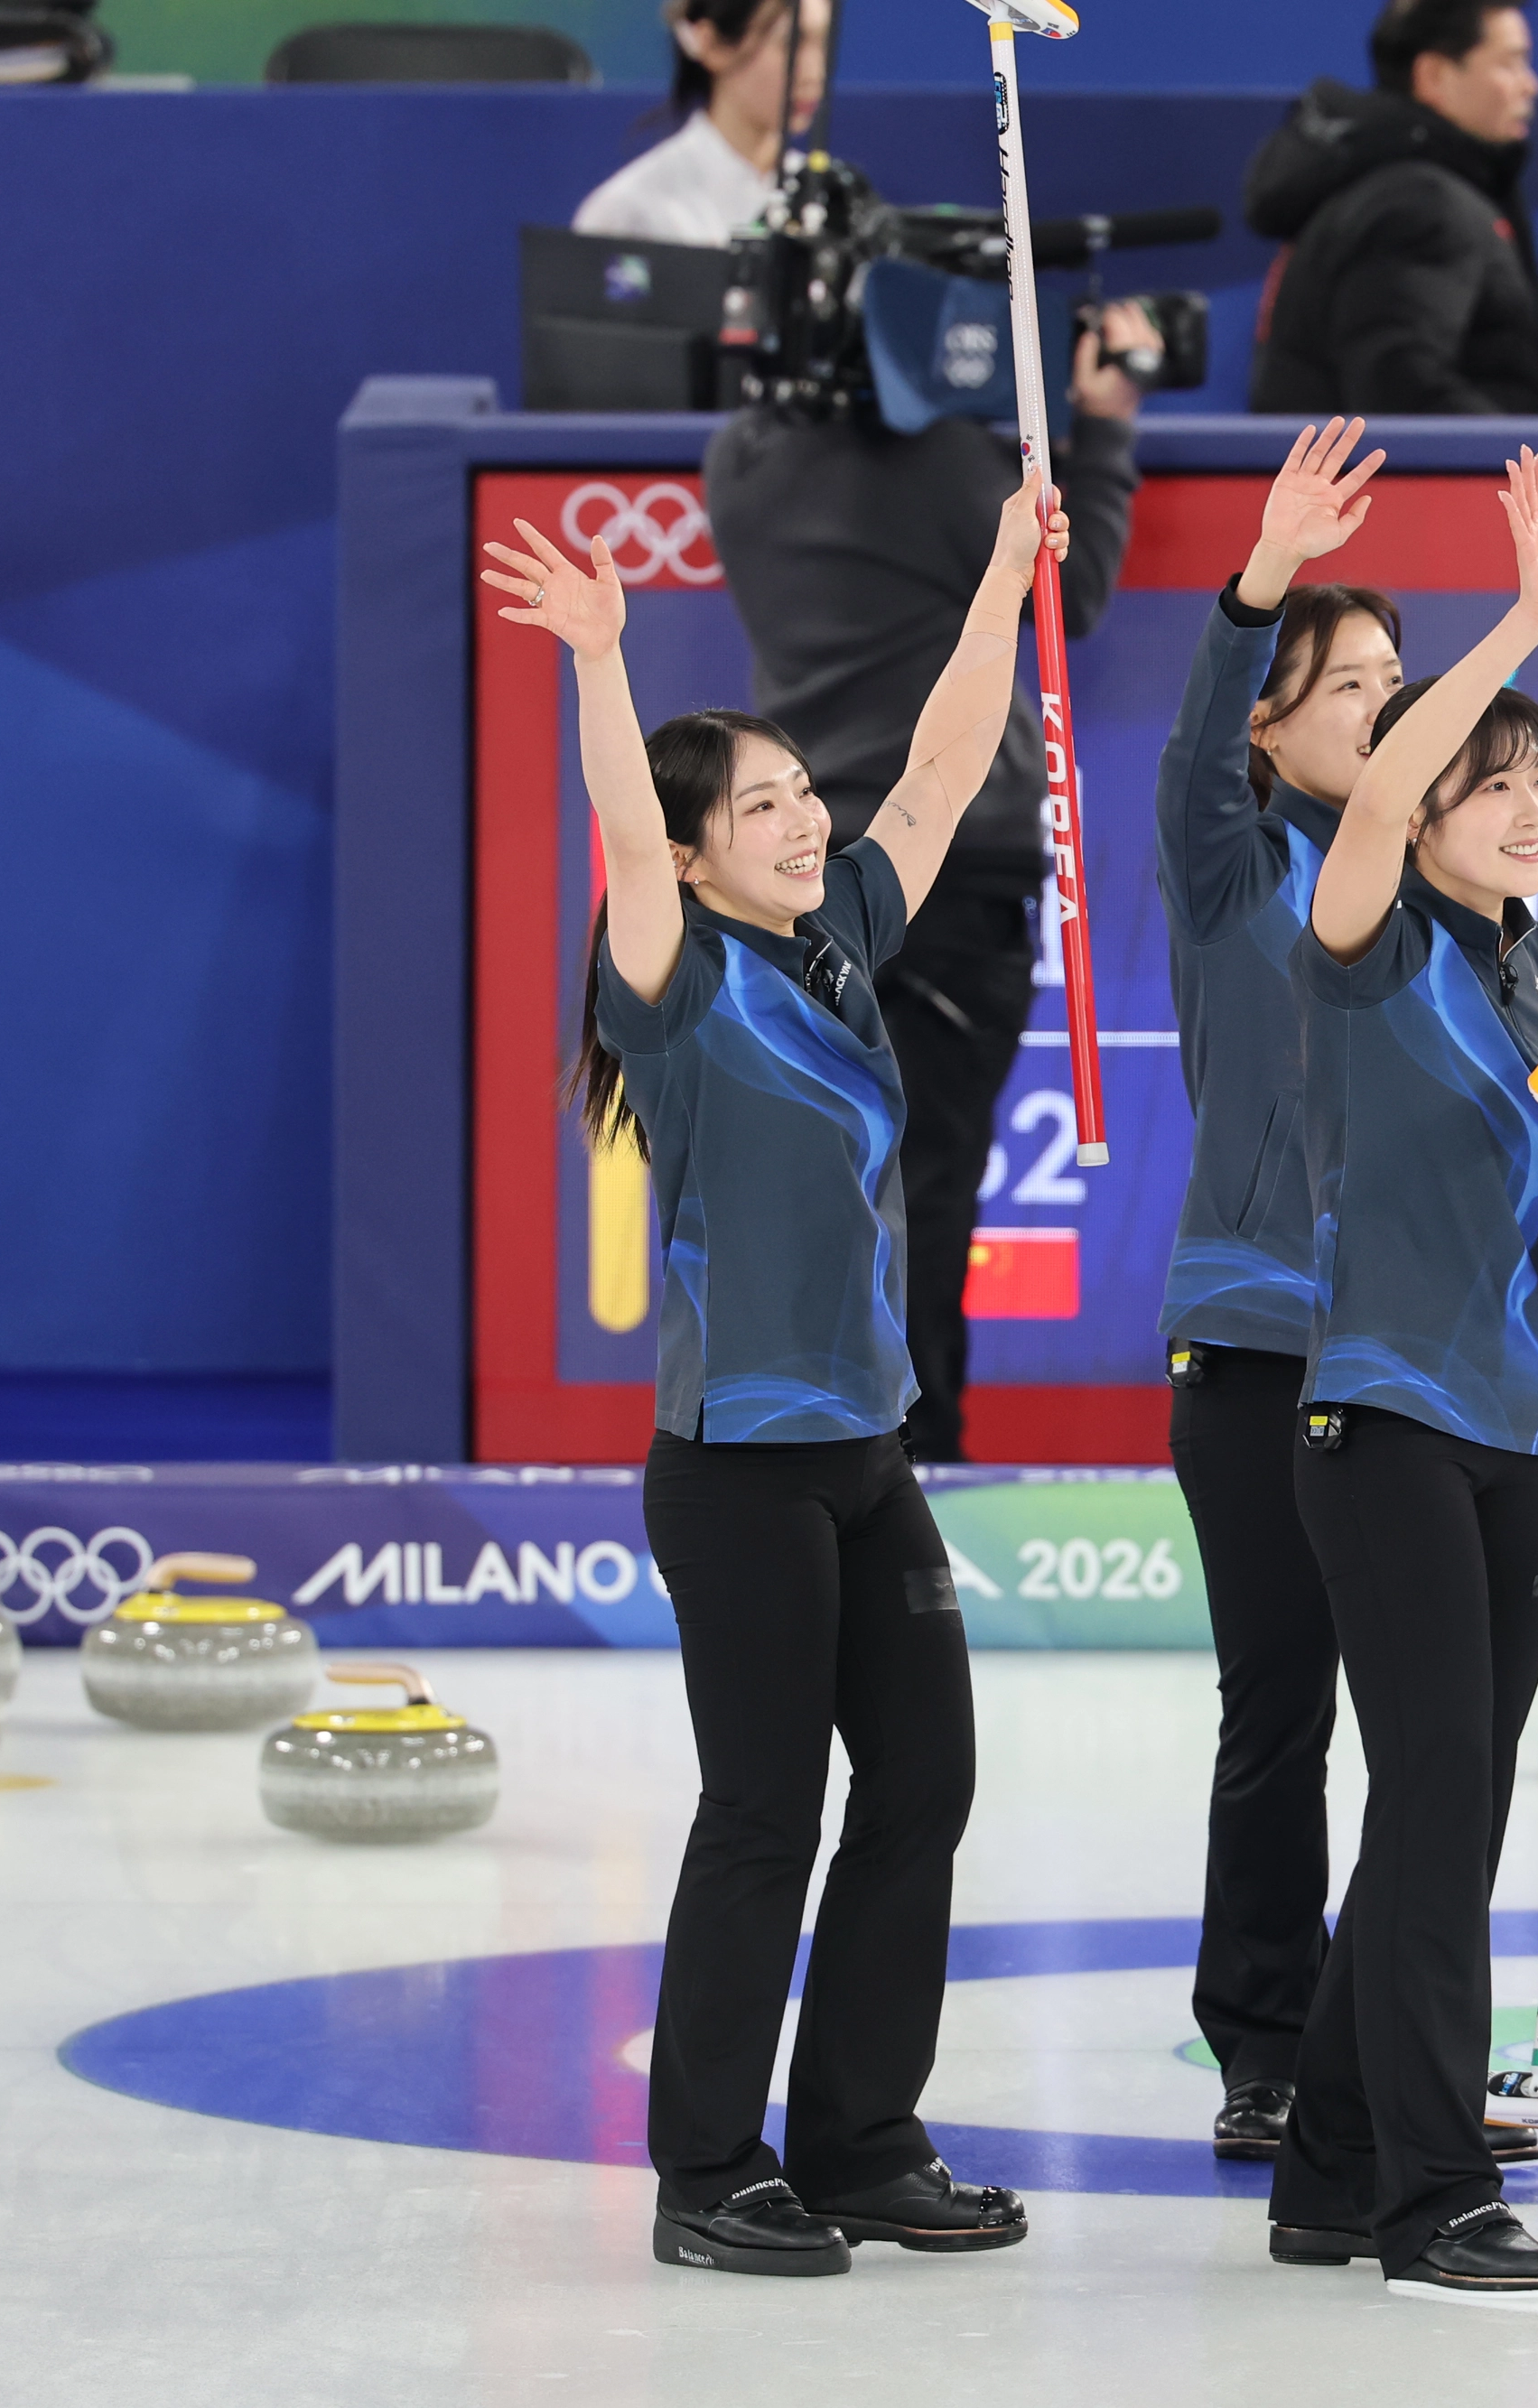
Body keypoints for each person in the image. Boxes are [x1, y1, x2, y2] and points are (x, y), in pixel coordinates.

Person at [480, 479, 1063, 2277]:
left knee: (921, 1784)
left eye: (804, 790)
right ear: (694, 848)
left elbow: (948, 762)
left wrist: (1001, 575)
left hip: (866, 1458)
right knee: (764, 1809)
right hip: (735, 1468)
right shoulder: (667, 979)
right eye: (764, 804)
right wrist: (601, 662)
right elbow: (615, 825)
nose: (808, 818)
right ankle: (704, 2166)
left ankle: (863, 2137)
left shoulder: (832, 947)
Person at [1267, 449, 1538, 2306]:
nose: (1524, 809)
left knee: (1437, 1799)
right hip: (1377, 1418)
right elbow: (1367, 809)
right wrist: (1520, 621)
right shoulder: (1364, 938)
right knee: (1436, 1787)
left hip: (1517, 1421)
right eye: (1487, 781)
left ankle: (1331, 2158)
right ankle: (1434, 2187)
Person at [703, 317, 1151, 1462]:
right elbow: (1075, 586)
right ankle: (909, 1461)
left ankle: (820, 1447)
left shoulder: (740, 461)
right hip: (944, 868)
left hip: (792, 878)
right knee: (926, 1181)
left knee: (822, 1172)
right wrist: (1098, 429)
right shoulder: (955, 466)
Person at [1150, 422, 1403, 2165]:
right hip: (1253, 1345)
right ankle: (1261, 2036)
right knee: (1282, 1703)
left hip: (1414, 1356)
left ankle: (1392, 2037)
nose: (1387, 710)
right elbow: (1183, 741)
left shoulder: (1434, 883)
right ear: (1271, 719)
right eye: (1351, 684)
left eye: (1403, 684)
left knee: (1431, 1729)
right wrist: (1259, 580)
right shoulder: (1232, 861)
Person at [1244, 1, 1538, 415]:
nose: (1530, 85)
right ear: (1434, 76)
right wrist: (1516, 461)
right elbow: (1401, 393)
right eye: (1510, 64)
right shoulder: (1421, 206)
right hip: (1405, 482)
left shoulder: (1392, 189)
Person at [572, 0, 831, 248]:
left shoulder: (828, 199)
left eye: (823, 43)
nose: (814, 72)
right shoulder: (633, 212)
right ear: (712, 44)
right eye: (791, 44)